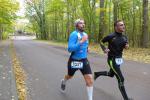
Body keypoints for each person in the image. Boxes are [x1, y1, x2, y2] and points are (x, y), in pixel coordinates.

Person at [94, 20, 132, 100]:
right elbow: (101, 41)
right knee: (121, 78)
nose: (123, 26)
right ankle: (126, 99)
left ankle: (97, 74)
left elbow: (126, 45)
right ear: (116, 27)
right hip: (111, 59)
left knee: (111, 74)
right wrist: (104, 48)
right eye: (121, 25)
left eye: (123, 25)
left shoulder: (124, 37)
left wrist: (127, 46)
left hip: (119, 59)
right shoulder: (111, 36)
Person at [60, 18, 93, 100]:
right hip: (74, 60)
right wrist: (81, 41)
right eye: (80, 23)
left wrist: (87, 48)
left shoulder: (85, 34)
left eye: (83, 23)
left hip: (84, 60)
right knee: (69, 76)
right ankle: (64, 81)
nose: (83, 24)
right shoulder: (74, 34)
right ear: (76, 25)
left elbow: (85, 44)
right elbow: (70, 49)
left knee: (89, 79)